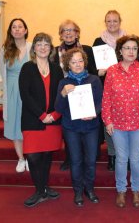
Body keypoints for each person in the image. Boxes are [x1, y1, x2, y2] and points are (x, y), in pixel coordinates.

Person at [102, 35, 139, 208]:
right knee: (120, 158)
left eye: (134, 48)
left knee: (135, 158)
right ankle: (120, 190)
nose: (131, 51)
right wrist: (107, 121)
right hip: (117, 124)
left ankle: (136, 190)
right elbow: (106, 99)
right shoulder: (111, 71)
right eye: (127, 48)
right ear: (120, 51)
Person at [19, 32, 64, 208]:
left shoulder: (56, 69)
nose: (43, 47)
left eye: (46, 44)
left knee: (46, 156)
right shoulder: (27, 68)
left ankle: (44, 187)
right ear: (34, 48)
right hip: (33, 120)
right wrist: (42, 115)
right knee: (33, 156)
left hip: (53, 119)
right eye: (39, 44)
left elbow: (61, 95)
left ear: (50, 48)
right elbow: (25, 95)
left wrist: (55, 114)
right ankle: (39, 190)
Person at [55, 48, 103, 207]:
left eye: (80, 61)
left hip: (91, 127)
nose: (77, 65)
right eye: (73, 62)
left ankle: (89, 189)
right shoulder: (64, 82)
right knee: (75, 161)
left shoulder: (94, 80)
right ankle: (77, 191)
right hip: (71, 128)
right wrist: (63, 93)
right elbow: (59, 109)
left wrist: (94, 113)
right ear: (68, 64)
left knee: (90, 160)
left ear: (85, 62)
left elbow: (101, 102)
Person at [55, 19, 97, 171]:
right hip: (65, 92)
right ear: (60, 34)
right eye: (65, 30)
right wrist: (62, 92)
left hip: (84, 93)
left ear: (77, 33)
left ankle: (85, 158)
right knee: (68, 127)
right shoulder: (54, 51)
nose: (68, 33)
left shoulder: (87, 49)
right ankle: (70, 157)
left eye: (71, 30)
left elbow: (92, 70)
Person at [93, 10, 127, 171]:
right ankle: (112, 156)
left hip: (125, 88)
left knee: (124, 121)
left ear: (120, 22)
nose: (112, 23)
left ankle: (124, 155)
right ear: (105, 23)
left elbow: (135, 61)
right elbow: (92, 66)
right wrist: (99, 71)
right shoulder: (98, 41)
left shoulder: (128, 40)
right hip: (105, 86)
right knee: (109, 121)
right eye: (109, 21)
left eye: (115, 21)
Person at [0, 18, 32, 173]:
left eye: (20, 27)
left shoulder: (33, 48)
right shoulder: (5, 50)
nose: (17, 29)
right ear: (11, 31)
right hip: (13, 91)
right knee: (15, 126)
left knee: (30, 127)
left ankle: (31, 158)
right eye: (14, 27)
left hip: (30, 91)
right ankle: (21, 158)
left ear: (26, 30)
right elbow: (2, 74)